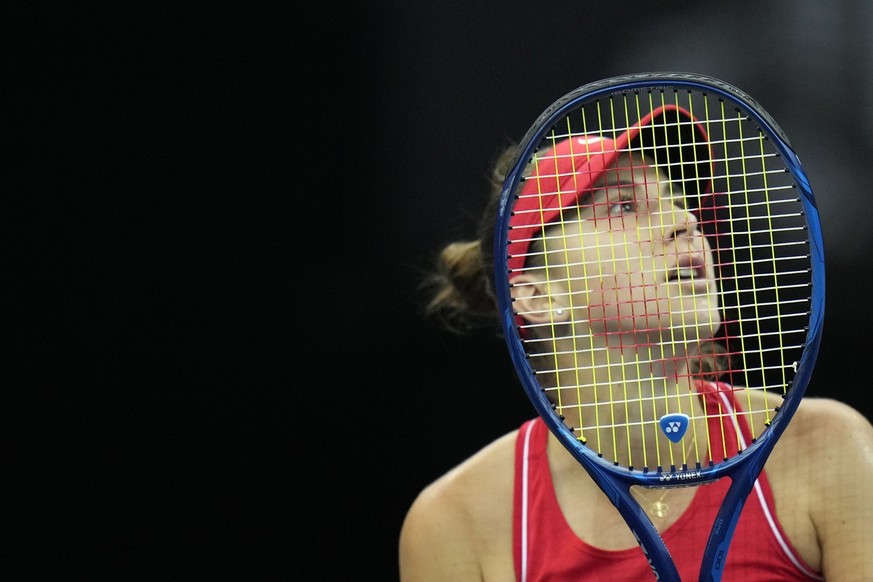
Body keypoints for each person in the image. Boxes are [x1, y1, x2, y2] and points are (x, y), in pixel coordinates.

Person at [398, 105, 873, 580]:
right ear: (539, 296)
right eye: (623, 206)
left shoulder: (828, 450)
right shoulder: (456, 521)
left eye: (675, 198)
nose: (685, 220)